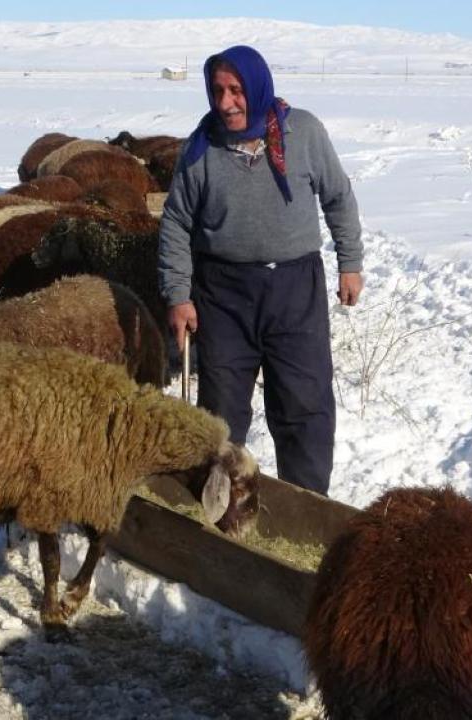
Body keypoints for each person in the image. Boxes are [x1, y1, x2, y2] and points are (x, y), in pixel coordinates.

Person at [158, 45, 363, 496]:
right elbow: (176, 222)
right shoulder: (201, 149)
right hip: (224, 293)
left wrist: (350, 262)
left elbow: (338, 196)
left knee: (303, 403)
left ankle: (307, 509)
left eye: (236, 90)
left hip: (295, 288)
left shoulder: (302, 131)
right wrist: (178, 294)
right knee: (221, 412)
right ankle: (220, 508)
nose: (226, 102)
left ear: (257, 86)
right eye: (217, 91)